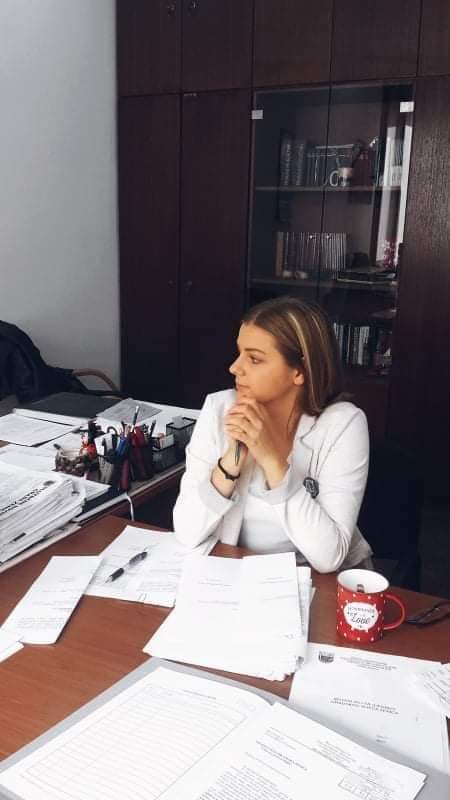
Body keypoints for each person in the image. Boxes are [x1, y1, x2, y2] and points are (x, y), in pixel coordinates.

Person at [173, 296, 372, 572]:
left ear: (299, 371)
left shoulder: (343, 425)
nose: (234, 368)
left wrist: (273, 462)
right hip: (237, 572)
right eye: (239, 353)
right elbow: (186, 532)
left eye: (254, 359)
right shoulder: (220, 409)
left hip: (317, 581)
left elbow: (328, 558)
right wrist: (231, 462)